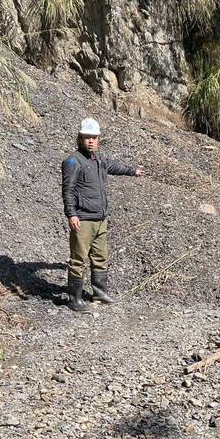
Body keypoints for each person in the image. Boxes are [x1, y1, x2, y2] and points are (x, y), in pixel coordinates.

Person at [61, 117, 143, 312]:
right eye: (87, 137)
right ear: (80, 138)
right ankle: (75, 299)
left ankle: (100, 292)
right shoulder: (73, 161)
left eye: (94, 137)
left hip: (100, 218)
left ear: (98, 139)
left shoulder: (100, 160)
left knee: (100, 256)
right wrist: (71, 214)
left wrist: (133, 171)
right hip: (83, 219)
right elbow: (68, 191)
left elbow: (114, 166)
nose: (91, 141)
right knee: (78, 259)